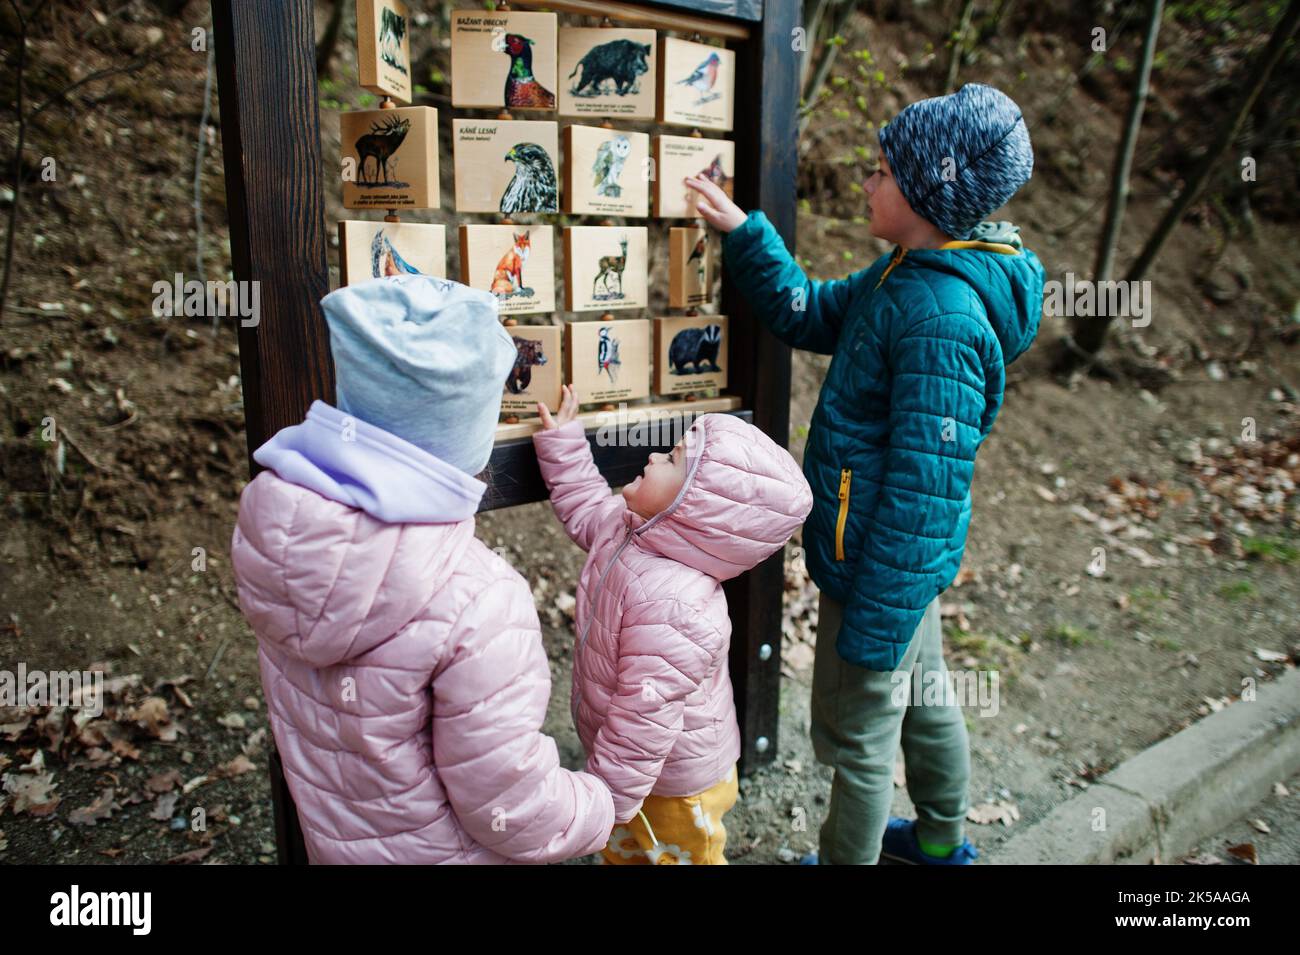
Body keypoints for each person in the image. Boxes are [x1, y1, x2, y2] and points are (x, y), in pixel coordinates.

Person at [686, 83, 1045, 864]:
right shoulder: (906, 273)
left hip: (883, 570)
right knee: (925, 699)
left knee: (861, 734)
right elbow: (809, 311)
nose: (866, 180)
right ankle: (944, 843)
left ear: (926, 192)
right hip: (898, 568)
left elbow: (925, 487)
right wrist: (747, 233)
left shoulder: (939, 319)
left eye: (881, 170)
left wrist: (879, 614)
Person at [230, 275, 614, 864]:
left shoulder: (280, 533)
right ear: (470, 435)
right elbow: (506, 805)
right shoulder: (480, 601)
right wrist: (595, 804)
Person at [533, 385, 812, 864]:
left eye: (674, 458)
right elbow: (583, 503)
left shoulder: (678, 606)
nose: (657, 454)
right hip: (628, 767)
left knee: (677, 858)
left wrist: (609, 799)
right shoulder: (630, 529)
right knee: (627, 855)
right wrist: (564, 441)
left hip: (674, 784)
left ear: (695, 506)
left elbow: (644, 721)